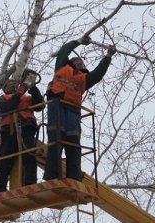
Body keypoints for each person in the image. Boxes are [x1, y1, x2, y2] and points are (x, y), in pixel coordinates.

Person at [43, 36, 116, 182]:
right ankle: (52, 175)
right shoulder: (62, 66)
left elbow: (99, 72)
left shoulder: (86, 78)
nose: (79, 61)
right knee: (56, 139)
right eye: (76, 60)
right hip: (57, 104)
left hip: (73, 110)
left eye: (81, 61)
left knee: (73, 142)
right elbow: (64, 50)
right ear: (71, 62)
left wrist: (108, 56)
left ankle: (74, 176)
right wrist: (78, 42)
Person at [0, 75, 44, 193]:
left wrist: (33, 87)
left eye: (14, 83)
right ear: (5, 88)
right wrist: (19, 93)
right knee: (6, 159)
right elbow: (5, 107)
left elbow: (40, 105)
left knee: (29, 154)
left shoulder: (27, 97)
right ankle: (0, 189)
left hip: (27, 127)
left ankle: (30, 184)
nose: (13, 84)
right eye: (9, 83)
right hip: (9, 130)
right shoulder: (3, 98)